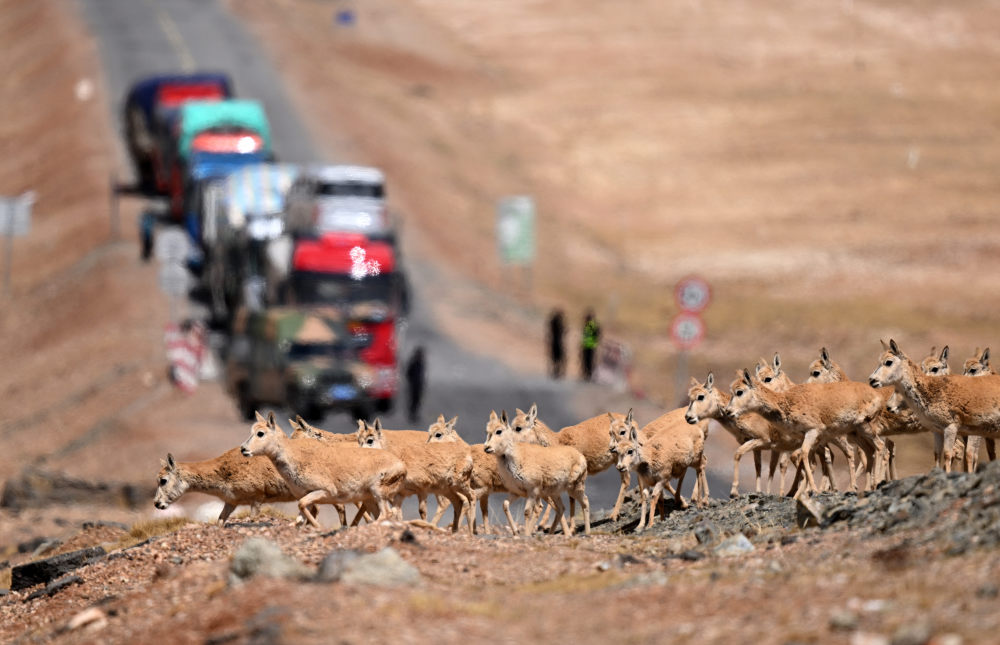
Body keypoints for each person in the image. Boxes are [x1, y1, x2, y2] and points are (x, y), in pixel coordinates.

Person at [405, 346, 426, 424]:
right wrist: (411, 382)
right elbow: (408, 373)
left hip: (419, 385)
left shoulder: (421, 363)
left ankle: (415, 415)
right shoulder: (414, 363)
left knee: (417, 401)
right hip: (413, 385)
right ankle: (412, 416)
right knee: (413, 401)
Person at [581, 309, 601, 381]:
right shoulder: (591, 325)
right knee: (587, 360)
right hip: (589, 345)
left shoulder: (591, 325)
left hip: (589, 345)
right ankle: (587, 374)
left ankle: (588, 374)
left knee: (588, 361)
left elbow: (597, 334)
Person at [547, 308, 566, 379]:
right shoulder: (557, 322)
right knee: (557, 358)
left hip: (556, 341)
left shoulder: (555, 321)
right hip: (557, 341)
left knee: (556, 358)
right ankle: (556, 372)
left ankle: (556, 371)